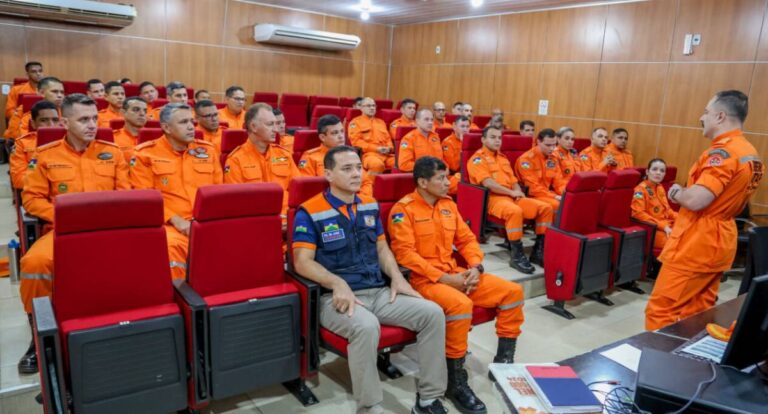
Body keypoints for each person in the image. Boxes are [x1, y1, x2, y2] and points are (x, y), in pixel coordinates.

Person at [292, 146, 448, 414]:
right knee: (366, 327)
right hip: (336, 298)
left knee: (433, 313)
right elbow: (301, 262)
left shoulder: (369, 204)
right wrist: (337, 283)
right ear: (328, 174)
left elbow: (381, 248)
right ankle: (370, 406)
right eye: (347, 168)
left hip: (377, 291)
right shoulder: (310, 211)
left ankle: (429, 399)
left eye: (358, 167)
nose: (356, 174)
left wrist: (397, 278)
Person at [389, 156, 524, 414]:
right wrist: (444, 279)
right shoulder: (403, 210)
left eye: (447, 176)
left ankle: (504, 362)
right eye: (441, 178)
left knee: (513, 292)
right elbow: (405, 255)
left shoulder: (448, 205)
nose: (447, 182)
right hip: (425, 280)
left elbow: (466, 240)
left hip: (457, 273)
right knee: (461, 305)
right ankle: (455, 380)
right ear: (422, 181)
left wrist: (476, 267)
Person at [18, 94, 129, 374]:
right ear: (65, 122)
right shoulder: (45, 155)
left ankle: (127, 328)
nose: (92, 125)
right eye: (83, 120)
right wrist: (66, 216)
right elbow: (32, 200)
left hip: (108, 230)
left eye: (94, 119)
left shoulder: (113, 153)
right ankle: (38, 336)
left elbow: (126, 194)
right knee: (34, 264)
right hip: (63, 230)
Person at [645, 90, 764, 331]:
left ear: (720, 116)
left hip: (696, 242)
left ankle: (657, 363)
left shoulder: (723, 153)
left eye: (706, 112)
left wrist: (677, 192)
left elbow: (698, 199)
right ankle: (688, 364)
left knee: (661, 310)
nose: (702, 117)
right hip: (720, 240)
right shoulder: (750, 153)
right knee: (698, 312)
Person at [130, 103, 222, 280]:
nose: (190, 127)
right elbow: (146, 198)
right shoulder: (144, 155)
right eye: (183, 122)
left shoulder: (208, 151)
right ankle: (181, 300)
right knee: (171, 247)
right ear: (166, 127)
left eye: (192, 122)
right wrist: (177, 220)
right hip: (170, 225)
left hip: (206, 221)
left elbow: (218, 191)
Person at [467, 126, 553, 273]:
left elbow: (513, 180)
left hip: (512, 196)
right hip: (494, 199)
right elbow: (488, 183)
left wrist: (517, 191)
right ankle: (517, 255)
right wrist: (511, 193)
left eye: (499, 138)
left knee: (546, 208)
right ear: (483, 139)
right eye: (493, 137)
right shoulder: (477, 159)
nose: (497, 140)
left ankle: (538, 251)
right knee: (515, 211)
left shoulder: (503, 158)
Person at [224, 103, 298, 225]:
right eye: (270, 124)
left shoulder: (284, 155)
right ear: (253, 126)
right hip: (256, 225)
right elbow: (235, 204)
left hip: (290, 222)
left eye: (275, 124)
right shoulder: (235, 160)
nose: (276, 129)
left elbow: (297, 193)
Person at [298, 114, 373, 196]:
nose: (341, 136)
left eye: (342, 131)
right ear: (322, 137)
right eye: (335, 133)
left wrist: (358, 200)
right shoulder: (310, 157)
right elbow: (308, 187)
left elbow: (366, 182)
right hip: (327, 203)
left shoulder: (350, 155)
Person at [397, 109, 458, 194]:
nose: (430, 122)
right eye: (426, 119)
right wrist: (430, 169)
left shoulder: (435, 137)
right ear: (417, 121)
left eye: (431, 119)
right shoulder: (409, 139)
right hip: (424, 177)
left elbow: (441, 159)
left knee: (460, 180)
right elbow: (404, 165)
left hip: (439, 175)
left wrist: (446, 167)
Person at [10, 101, 60, 190]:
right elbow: (18, 180)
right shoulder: (22, 144)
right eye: (44, 120)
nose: (51, 125)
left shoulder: (70, 141)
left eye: (55, 120)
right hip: (36, 193)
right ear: (33, 124)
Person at [515, 128, 567, 212]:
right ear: (538, 142)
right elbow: (532, 188)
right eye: (548, 145)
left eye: (554, 145)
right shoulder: (526, 160)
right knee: (556, 204)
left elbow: (559, 182)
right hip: (531, 195)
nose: (552, 149)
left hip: (546, 194)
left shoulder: (553, 158)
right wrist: (554, 196)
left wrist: (566, 194)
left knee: (569, 201)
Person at [631, 159, 677, 251]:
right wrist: (663, 226)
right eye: (655, 169)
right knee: (675, 243)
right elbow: (638, 214)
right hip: (652, 229)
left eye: (662, 171)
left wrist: (682, 218)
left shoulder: (660, 187)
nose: (658, 173)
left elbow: (667, 210)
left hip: (666, 225)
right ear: (647, 172)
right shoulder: (640, 190)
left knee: (689, 234)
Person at [5, 76, 65, 140]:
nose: (60, 95)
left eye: (62, 92)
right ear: (41, 93)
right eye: (54, 92)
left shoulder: (66, 111)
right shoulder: (25, 110)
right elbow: (15, 136)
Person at [349, 97, 394, 174]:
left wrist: (389, 149)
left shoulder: (381, 122)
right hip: (368, 155)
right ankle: (369, 185)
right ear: (361, 108)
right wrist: (376, 149)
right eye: (368, 106)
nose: (372, 108)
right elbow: (356, 142)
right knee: (377, 165)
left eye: (373, 106)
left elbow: (388, 139)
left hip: (386, 155)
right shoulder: (355, 122)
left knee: (400, 163)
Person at [113, 96, 147, 161]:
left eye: (145, 110)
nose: (142, 114)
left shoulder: (155, 138)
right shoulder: (113, 138)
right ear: (123, 113)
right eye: (136, 110)